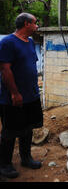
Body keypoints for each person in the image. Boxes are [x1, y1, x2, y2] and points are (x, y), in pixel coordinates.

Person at [0, 13, 43, 179]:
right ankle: (4, 164)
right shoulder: (8, 42)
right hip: (13, 97)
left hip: (31, 94)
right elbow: (5, 69)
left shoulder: (30, 42)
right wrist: (14, 93)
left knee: (28, 127)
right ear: (27, 24)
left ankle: (26, 158)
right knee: (10, 131)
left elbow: (31, 65)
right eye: (35, 23)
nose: (37, 26)